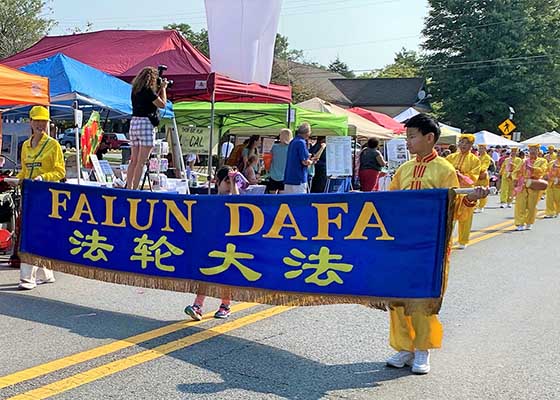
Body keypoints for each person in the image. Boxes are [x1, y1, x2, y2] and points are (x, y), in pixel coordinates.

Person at [386, 114, 487, 375]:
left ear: (429, 138)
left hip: (431, 247)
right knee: (398, 298)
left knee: (423, 298)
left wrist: (472, 198)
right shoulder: (404, 169)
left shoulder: (445, 169)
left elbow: (455, 207)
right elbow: (389, 203)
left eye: (411, 136)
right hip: (402, 244)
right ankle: (405, 347)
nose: (407, 142)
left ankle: (422, 349)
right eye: (407, 137)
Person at [15, 106, 66, 290]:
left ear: (48, 123)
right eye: (36, 120)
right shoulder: (25, 146)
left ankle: (27, 278)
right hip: (29, 195)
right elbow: (24, 170)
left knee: (32, 234)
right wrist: (17, 179)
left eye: (43, 121)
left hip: (47, 196)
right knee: (38, 233)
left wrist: (43, 177)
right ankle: (47, 273)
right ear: (30, 122)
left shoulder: (53, 145)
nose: (40, 124)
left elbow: (60, 171)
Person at [184, 166, 240, 320]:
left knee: (225, 274)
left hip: (229, 242)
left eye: (231, 182)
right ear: (218, 182)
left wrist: (234, 182)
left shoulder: (234, 197)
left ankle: (225, 305)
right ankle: (198, 305)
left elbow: (238, 201)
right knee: (206, 271)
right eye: (226, 181)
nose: (228, 185)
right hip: (212, 240)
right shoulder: (210, 199)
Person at [126, 67, 168, 190]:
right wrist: (163, 89)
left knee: (133, 159)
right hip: (146, 123)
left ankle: (128, 186)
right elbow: (162, 104)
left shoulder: (135, 90)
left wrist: (158, 89)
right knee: (141, 161)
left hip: (134, 122)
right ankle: (134, 189)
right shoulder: (149, 90)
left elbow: (151, 101)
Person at [446, 134, 481, 249]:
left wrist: (461, 175)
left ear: (471, 145)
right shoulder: (451, 157)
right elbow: (444, 170)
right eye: (462, 142)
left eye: (467, 143)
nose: (464, 145)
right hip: (452, 190)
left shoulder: (475, 160)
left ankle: (463, 240)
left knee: (466, 217)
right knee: (449, 217)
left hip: (466, 192)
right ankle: (446, 240)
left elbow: (473, 178)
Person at [513, 144, 548, 231]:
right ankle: (519, 223)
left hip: (534, 184)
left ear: (538, 150)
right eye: (531, 149)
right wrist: (515, 178)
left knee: (532, 206)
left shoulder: (542, 161)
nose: (532, 151)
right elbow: (516, 171)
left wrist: (532, 168)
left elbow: (542, 171)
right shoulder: (524, 161)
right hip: (523, 184)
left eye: (534, 149)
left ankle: (529, 222)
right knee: (520, 204)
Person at [284, 123, 314, 194]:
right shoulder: (301, 142)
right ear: (307, 133)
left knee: (289, 202)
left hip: (289, 177)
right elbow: (305, 162)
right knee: (300, 202)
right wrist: (312, 162)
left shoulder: (293, 141)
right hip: (298, 178)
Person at [267, 129, 292, 194]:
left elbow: (269, 159)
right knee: (282, 198)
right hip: (284, 176)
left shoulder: (275, 147)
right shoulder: (290, 148)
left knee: (272, 197)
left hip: (274, 175)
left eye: (280, 135)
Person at [474, 144, 493, 213]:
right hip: (477, 176)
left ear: (485, 149)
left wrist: (477, 169)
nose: (480, 150)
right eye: (480, 148)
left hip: (483, 176)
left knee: (483, 190)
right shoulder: (478, 157)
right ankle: (475, 206)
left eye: (482, 148)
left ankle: (481, 206)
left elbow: (484, 166)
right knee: (475, 191)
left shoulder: (487, 157)